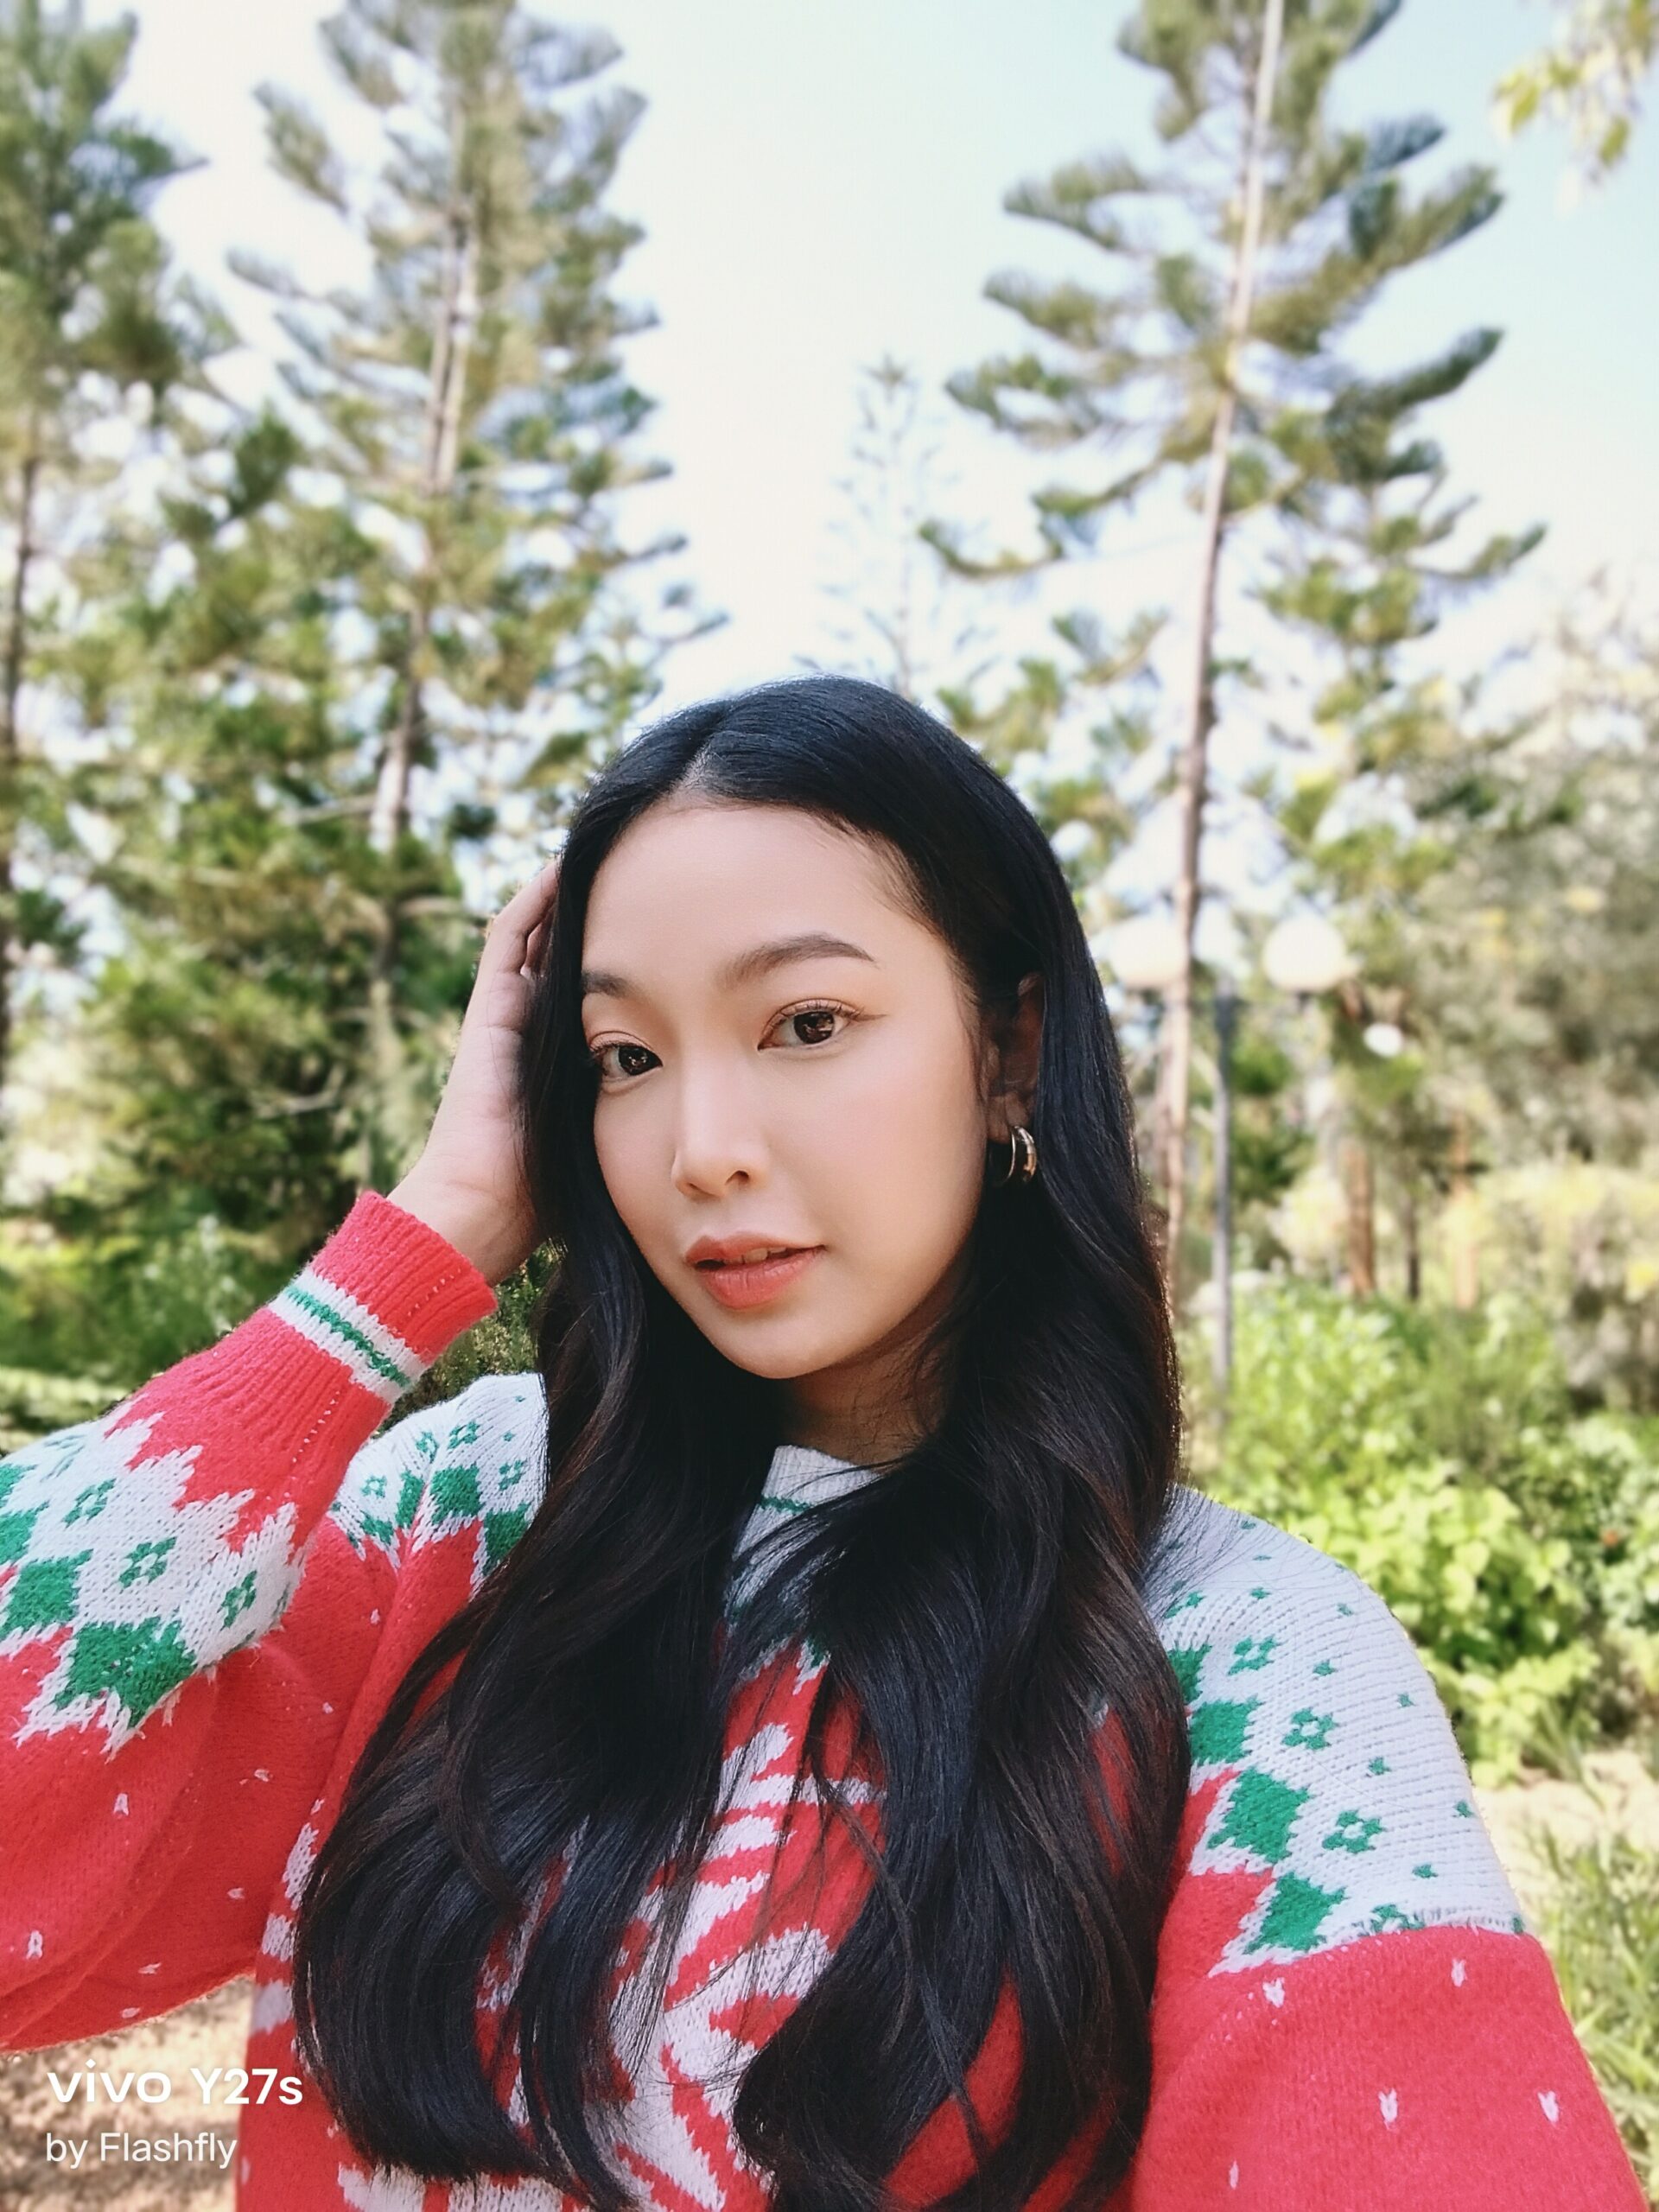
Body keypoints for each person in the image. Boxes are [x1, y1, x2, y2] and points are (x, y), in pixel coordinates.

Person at [0, 676, 1643, 2212]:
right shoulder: (468, 1524)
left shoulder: (1244, 1665)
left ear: (1009, 1049)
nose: (701, 1149)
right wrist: (414, 1252)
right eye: (626, 1058)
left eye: (805, 1023)